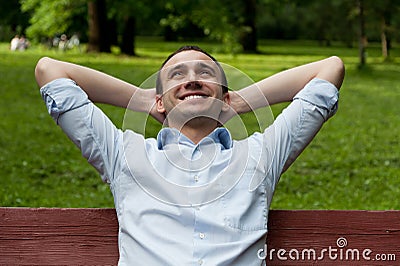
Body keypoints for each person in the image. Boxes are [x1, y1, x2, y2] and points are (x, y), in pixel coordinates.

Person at [35, 45, 344, 265]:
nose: (192, 79)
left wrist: (232, 104)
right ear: (158, 102)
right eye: (177, 75)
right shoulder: (123, 153)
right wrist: (145, 101)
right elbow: (50, 70)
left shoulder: (260, 155)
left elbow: (330, 69)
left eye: (205, 73)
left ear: (225, 97)